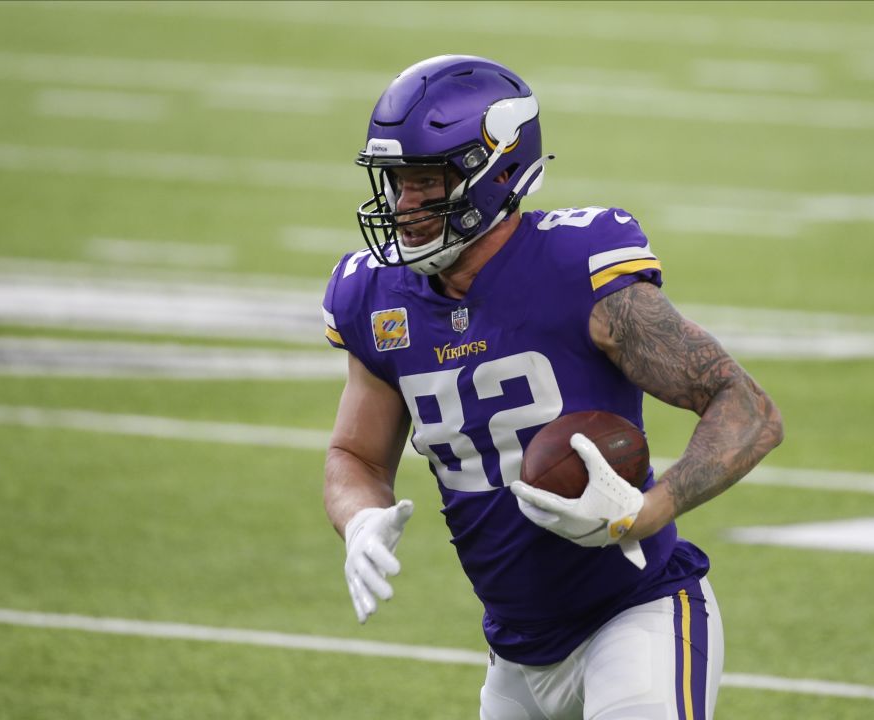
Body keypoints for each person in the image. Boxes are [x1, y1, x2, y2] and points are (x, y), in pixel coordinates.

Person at [322, 55, 783, 720]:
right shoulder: (374, 296)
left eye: (426, 182)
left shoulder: (576, 271)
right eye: (394, 183)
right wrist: (359, 517)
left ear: (496, 170)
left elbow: (749, 410)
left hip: (635, 615)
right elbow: (355, 457)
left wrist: (644, 512)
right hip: (515, 653)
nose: (404, 206)